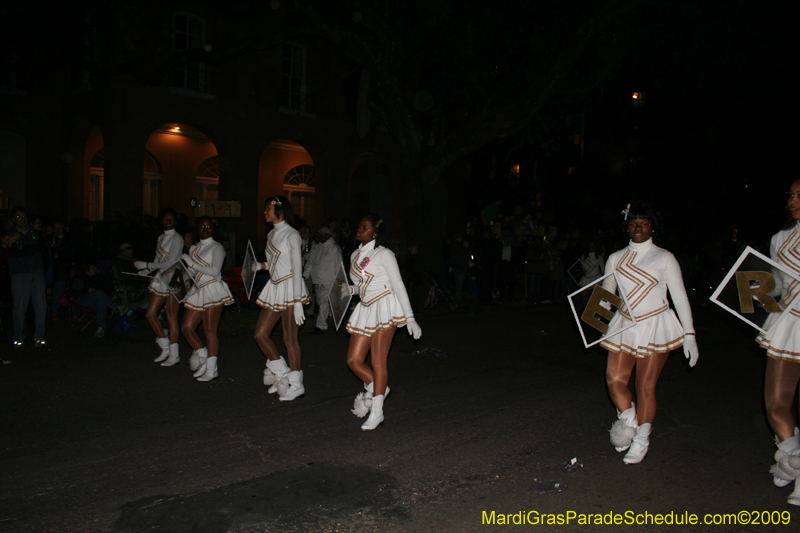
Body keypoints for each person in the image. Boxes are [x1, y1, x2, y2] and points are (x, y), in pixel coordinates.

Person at [600, 201, 698, 464]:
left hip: (655, 326)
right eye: (633, 223)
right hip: (625, 325)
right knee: (614, 381)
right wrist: (594, 315)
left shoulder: (665, 257)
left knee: (644, 386)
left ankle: (641, 438)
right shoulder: (615, 258)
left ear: (653, 226)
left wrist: (689, 334)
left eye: (643, 223)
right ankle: (630, 421)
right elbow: (607, 296)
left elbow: (679, 297)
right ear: (626, 226)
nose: (638, 228)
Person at [346, 214, 422, 430]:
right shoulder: (354, 255)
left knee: (379, 361)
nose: (359, 229)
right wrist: (350, 290)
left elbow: (398, 284)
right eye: (359, 226)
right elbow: (363, 284)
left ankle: (377, 412)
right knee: (353, 360)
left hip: (385, 307)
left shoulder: (385, 254)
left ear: (375, 233)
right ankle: (379, 387)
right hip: (365, 308)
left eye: (365, 227)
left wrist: (410, 318)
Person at [756, 179, 800, 506]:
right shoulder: (779, 239)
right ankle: (793, 463)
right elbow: (778, 284)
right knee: (775, 405)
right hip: (788, 323)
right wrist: (756, 291)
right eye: (791, 195)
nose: (793, 201)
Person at [255, 196, 309, 402]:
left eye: (268, 208)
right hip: (275, 286)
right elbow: (275, 264)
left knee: (289, 339)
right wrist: (260, 267)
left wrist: (297, 302)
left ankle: (296, 384)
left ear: (280, 211)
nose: (264, 212)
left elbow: (297, 268)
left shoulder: (292, 234)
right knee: (260, 334)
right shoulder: (270, 234)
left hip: (289, 287)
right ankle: (282, 373)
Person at [180, 216, 234, 381]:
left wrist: (192, 264)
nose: (205, 229)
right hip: (198, 291)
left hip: (213, 290)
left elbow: (214, 270)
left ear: (213, 229)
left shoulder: (217, 247)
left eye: (209, 226)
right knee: (187, 327)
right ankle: (203, 358)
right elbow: (192, 273)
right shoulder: (194, 248)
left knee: (210, 331)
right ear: (197, 229)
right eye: (202, 226)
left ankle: (212, 368)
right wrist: (178, 277)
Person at [134, 208, 183, 366]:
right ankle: (165, 346)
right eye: (165, 218)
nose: (168, 221)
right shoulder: (161, 237)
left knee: (171, 316)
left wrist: (148, 264)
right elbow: (158, 258)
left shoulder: (177, 238)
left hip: (174, 277)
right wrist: (146, 270)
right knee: (150, 314)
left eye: (171, 219)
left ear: (175, 221)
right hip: (161, 276)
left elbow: (171, 262)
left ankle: (174, 354)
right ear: (161, 221)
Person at [5, 206, 49, 348]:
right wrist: (13, 246)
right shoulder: (9, 234)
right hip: (19, 274)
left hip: (36, 272)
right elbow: (9, 253)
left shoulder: (35, 232)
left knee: (40, 307)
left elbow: (39, 249)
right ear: (13, 219)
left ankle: (39, 337)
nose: (22, 219)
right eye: (18, 217)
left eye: (23, 216)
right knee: (19, 307)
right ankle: (18, 337)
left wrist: (22, 247)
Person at [71, 260, 127, 338]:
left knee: (101, 302)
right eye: (93, 267)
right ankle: (117, 307)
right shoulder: (79, 277)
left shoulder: (98, 276)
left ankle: (101, 328)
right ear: (87, 269)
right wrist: (87, 289)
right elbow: (75, 290)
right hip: (82, 299)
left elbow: (108, 286)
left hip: (96, 299)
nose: (95, 269)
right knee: (99, 293)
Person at [303, 226, 342, 334]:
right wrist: (305, 275)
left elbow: (338, 266)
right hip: (318, 280)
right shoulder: (317, 247)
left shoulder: (334, 248)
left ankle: (320, 325)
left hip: (328, 280)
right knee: (322, 302)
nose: (318, 236)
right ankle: (333, 316)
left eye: (320, 234)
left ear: (327, 235)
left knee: (323, 302)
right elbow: (310, 262)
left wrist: (338, 281)